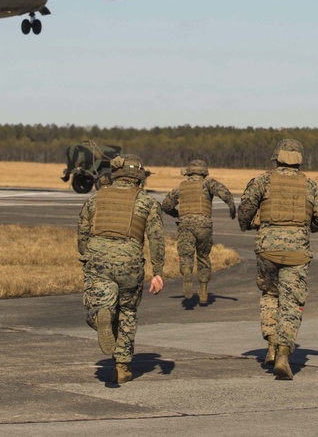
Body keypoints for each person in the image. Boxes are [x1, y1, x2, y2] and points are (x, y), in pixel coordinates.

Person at [238, 139, 318, 380]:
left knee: (270, 294)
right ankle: (283, 353)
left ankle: (271, 342)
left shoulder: (262, 180)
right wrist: (306, 228)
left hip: (267, 249)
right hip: (297, 252)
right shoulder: (310, 185)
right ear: (300, 160)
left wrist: (248, 225)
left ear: (276, 158)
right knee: (292, 302)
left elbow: (246, 208)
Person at [77, 154, 165, 384]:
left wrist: (87, 256)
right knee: (127, 312)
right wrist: (158, 272)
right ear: (139, 177)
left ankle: (100, 316)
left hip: (99, 259)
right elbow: (156, 238)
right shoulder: (147, 202)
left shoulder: (95, 198)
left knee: (97, 302)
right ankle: (122, 366)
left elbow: (82, 231)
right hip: (130, 264)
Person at [161, 159, 236, 305]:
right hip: (204, 226)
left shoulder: (181, 187)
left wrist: (177, 214)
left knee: (186, 255)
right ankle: (203, 291)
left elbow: (165, 205)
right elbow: (224, 193)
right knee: (203, 257)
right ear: (204, 172)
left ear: (189, 172)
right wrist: (231, 206)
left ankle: (187, 271)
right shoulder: (208, 183)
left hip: (185, 225)